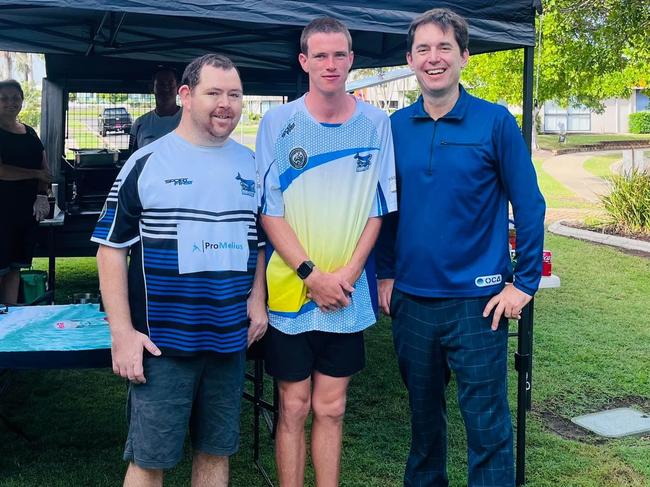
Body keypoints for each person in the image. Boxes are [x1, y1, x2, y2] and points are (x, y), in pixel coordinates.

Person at [375, 8, 545, 487]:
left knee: (487, 428)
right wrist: (385, 274)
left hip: (478, 304)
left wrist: (524, 282)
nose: (434, 58)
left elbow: (530, 205)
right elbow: (385, 209)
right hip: (412, 301)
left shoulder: (494, 122)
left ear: (465, 56)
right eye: (424, 49)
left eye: (444, 47)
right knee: (423, 426)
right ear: (410, 59)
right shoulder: (393, 126)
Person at [92, 54, 267, 487]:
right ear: (186, 96)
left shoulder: (252, 165)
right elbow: (109, 250)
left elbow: (259, 242)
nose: (226, 104)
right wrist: (122, 333)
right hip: (161, 344)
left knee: (215, 452)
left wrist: (257, 300)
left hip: (229, 339)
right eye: (214, 93)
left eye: (234, 95)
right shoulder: (147, 162)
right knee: (150, 461)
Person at [256, 17, 397, 487]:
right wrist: (311, 273)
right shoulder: (278, 123)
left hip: (347, 292)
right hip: (293, 290)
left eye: (339, 55)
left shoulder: (377, 123)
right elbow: (269, 211)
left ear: (352, 60)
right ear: (304, 61)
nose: (330, 64)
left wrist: (349, 273)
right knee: (293, 407)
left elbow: (379, 209)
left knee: (331, 408)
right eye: (320, 55)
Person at [0, 79, 50, 305]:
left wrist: (42, 195)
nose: (11, 103)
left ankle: (9, 318)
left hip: (25, 214)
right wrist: (36, 175)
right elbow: (2, 171)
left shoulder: (29, 133)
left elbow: (45, 168)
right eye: (4, 98)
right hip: (2, 213)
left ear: (22, 101)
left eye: (15, 98)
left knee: (15, 268)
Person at [129, 67, 182, 153]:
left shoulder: (190, 120)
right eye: (161, 84)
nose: (166, 88)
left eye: (170, 83)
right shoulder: (140, 124)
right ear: (152, 88)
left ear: (178, 88)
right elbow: (133, 159)